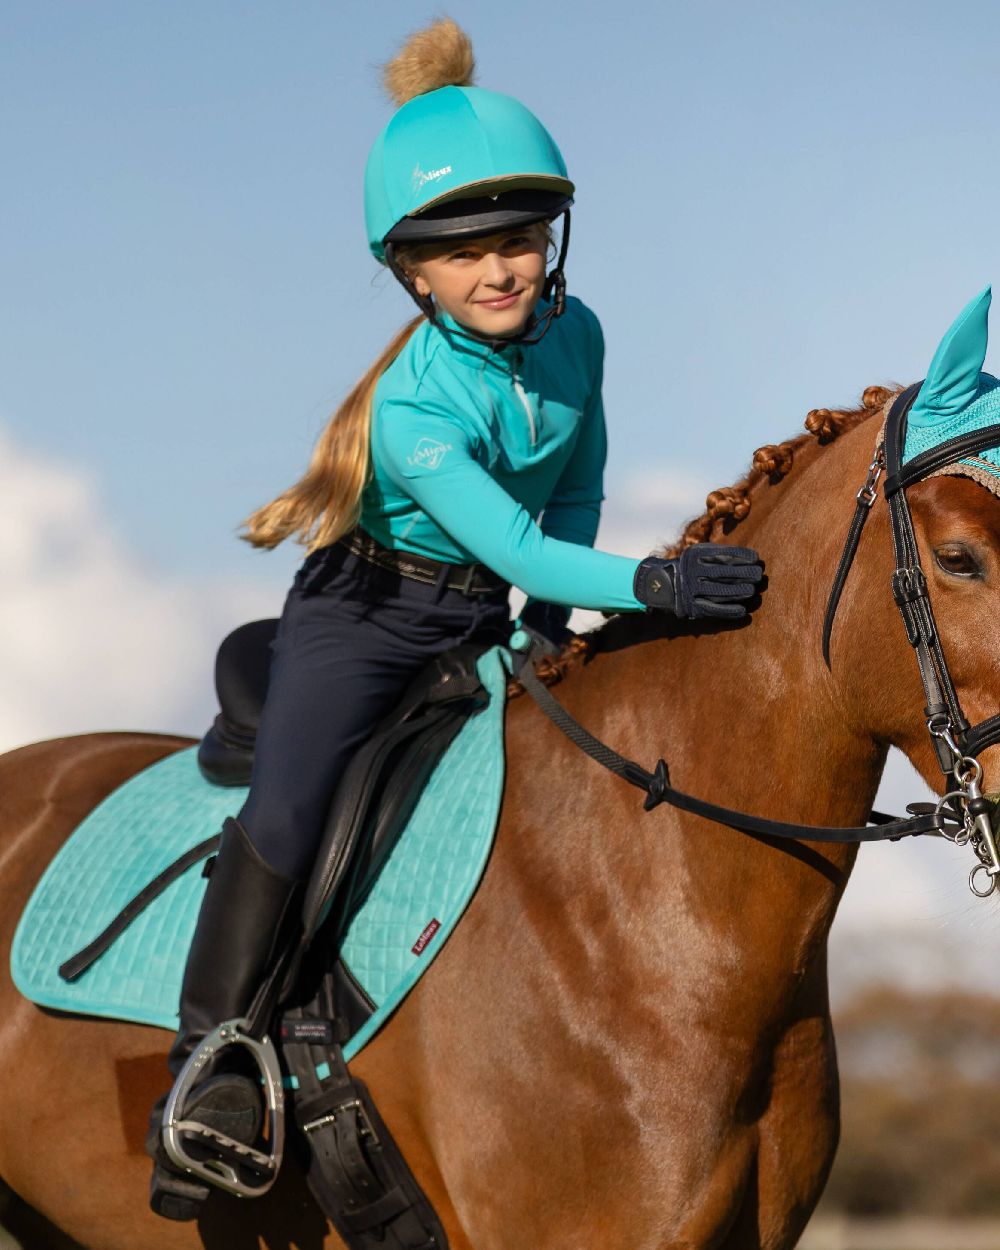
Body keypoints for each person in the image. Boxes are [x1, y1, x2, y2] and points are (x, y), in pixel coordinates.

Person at [148, 17, 764, 1221]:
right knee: (291, 801)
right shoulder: (413, 403)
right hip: (364, 616)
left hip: (480, 612)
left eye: (520, 242)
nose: (501, 270)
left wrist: (555, 610)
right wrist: (646, 584)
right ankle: (207, 1064)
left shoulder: (578, 333)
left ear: (553, 241)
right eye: (465, 252)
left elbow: (570, 484)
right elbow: (514, 534)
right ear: (411, 274)